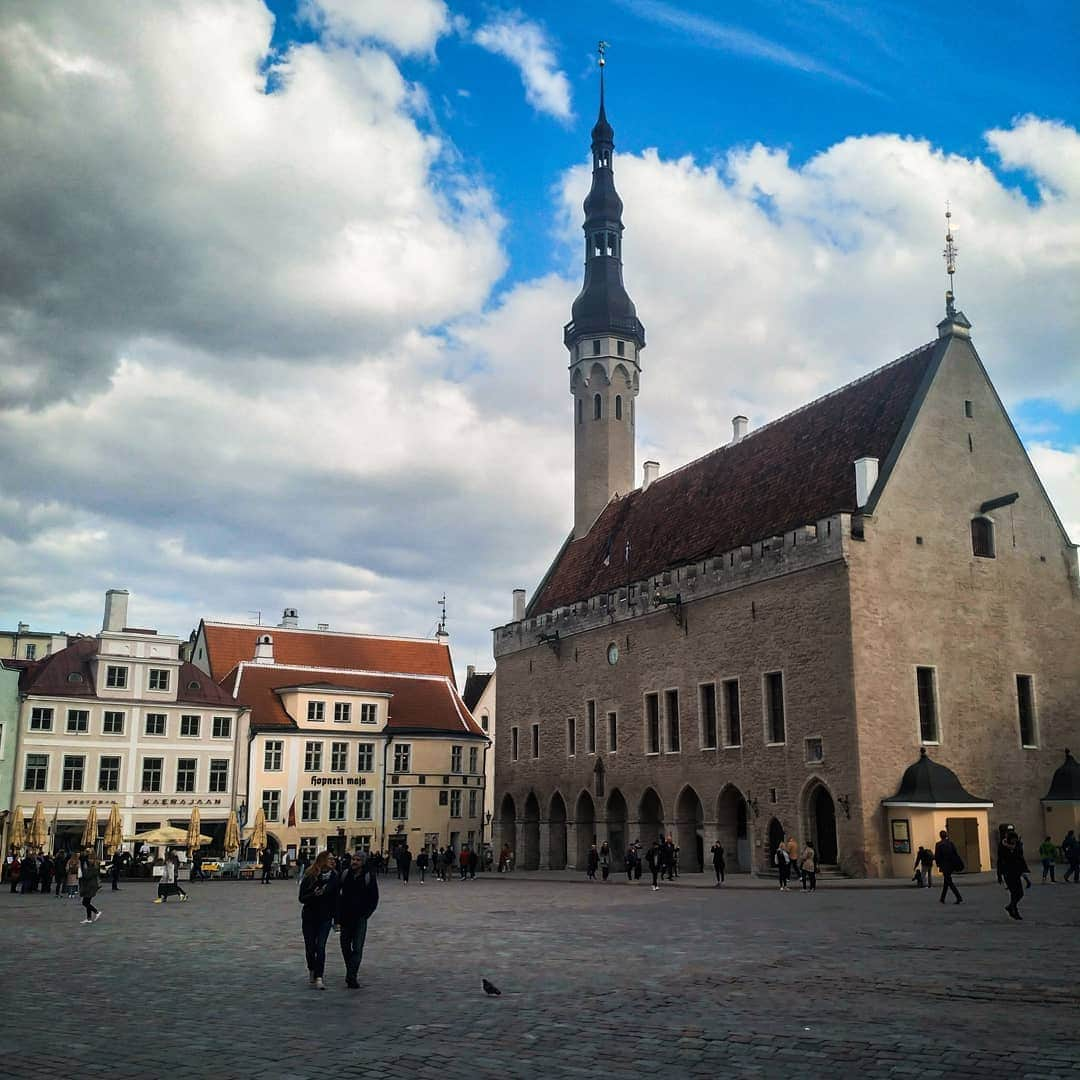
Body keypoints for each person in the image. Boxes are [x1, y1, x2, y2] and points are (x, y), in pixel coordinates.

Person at [337, 850, 379, 989]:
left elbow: (374, 898)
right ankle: (351, 969)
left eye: (358, 860)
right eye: (353, 859)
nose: (354, 862)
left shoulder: (368, 876)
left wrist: (367, 913)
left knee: (358, 947)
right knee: (344, 946)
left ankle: (351, 975)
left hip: (360, 918)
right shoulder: (345, 874)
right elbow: (337, 893)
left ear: (363, 862)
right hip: (345, 917)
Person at [298, 851, 339, 990]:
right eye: (330, 859)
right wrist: (313, 895)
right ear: (322, 860)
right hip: (310, 917)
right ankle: (312, 968)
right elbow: (301, 898)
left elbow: (336, 899)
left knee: (320, 947)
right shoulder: (310, 876)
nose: (333, 861)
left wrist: (337, 919)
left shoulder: (335, 877)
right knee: (310, 948)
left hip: (325, 917)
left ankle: (319, 977)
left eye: (333, 859)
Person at [934, 829, 963, 904]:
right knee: (946, 881)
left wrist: (938, 864)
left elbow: (937, 856)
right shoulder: (950, 843)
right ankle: (942, 898)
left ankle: (958, 897)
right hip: (951, 865)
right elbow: (955, 853)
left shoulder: (938, 844)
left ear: (940, 836)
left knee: (949, 882)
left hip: (944, 865)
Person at [79, 852, 102, 924]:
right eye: (89, 859)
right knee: (87, 902)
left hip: (90, 886)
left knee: (85, 902)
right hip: (90, 886)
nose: (89, 860)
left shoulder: (94, 867)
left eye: (90, 859)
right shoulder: (93, 866)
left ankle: (97, 912)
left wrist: (85, 870)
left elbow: (87, 876)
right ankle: (88, 918)